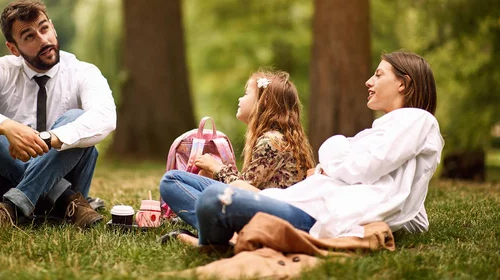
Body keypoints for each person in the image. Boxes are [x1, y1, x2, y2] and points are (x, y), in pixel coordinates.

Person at [185, 51, 444, 247]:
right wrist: (326, 171)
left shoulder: (419, 121)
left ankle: (221, 237)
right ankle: (227, 229)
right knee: (176, 181)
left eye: (378, 74)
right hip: (304, 200)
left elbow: (362, 168)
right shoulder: (387, 129)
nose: (368, 81)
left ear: (403, 84)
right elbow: (405, 196)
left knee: (211, 200)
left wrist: (331, 156)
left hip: (315, 214)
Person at [0, 0, 117, 232]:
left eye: (44, 28)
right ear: (13, 48)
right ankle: (65, 199)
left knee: (78, 118)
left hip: (5, 205)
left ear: (53, 27)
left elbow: (105, 117)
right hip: (51, 200)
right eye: (29, 36)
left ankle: (9, 210)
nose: (43, 40)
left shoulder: (82, 72)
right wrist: (6, 126)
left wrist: (47, 139)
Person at [160, 70, 315, 231]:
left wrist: (216, 167)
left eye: (246, 93)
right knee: (178, 181)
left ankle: (215, 226)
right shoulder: (278, 138)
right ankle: (210, 221)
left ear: (263, 101)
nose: (240, 99)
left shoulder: (271, 141)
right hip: (265, 210)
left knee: (171, 181)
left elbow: (242, 189)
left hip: (270, 216)